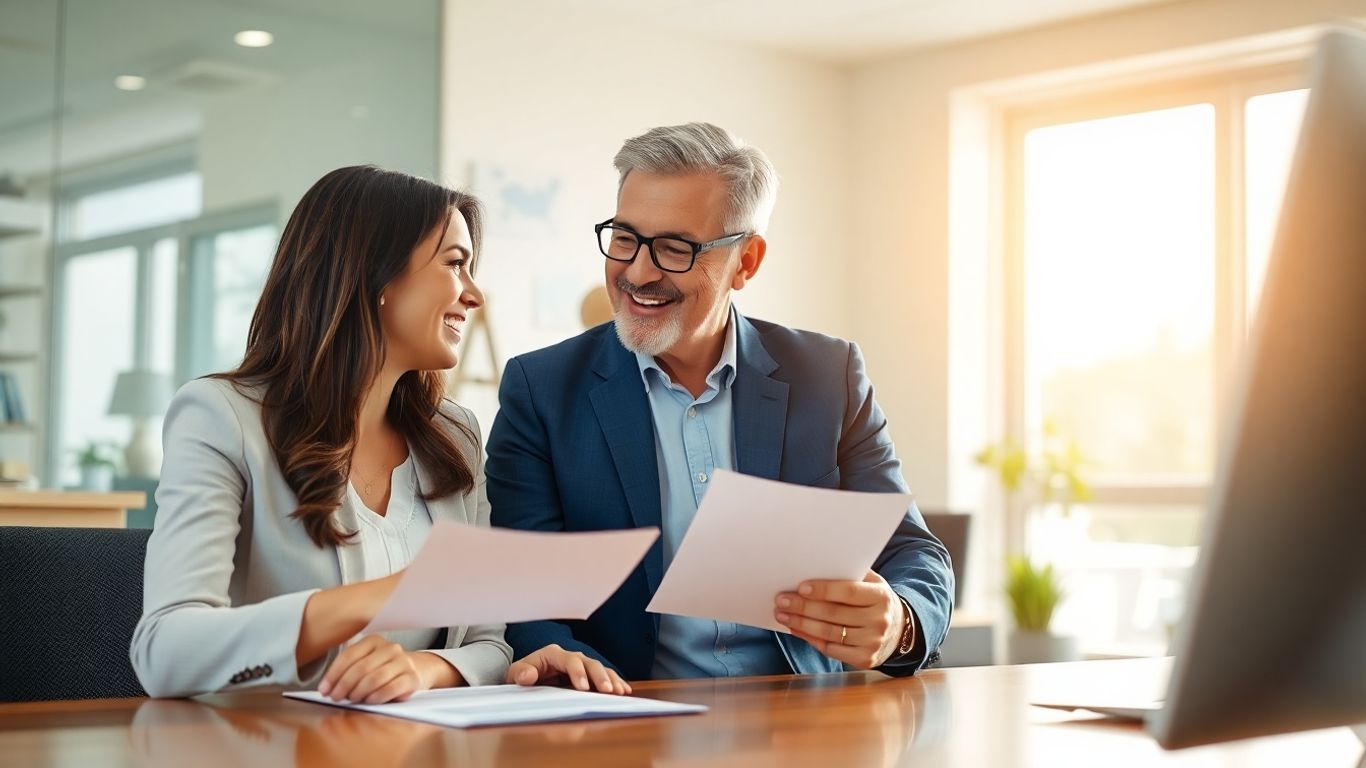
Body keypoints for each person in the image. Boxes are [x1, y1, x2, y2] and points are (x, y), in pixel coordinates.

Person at [131, 165, 631, 701]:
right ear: (377, 277)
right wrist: (391, 596)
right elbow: (164, 650)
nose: (474, 295)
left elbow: (491, 640)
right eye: (455, 265)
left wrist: (420, 671)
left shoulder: (455, 437)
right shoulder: (221, 417)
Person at [487, 123, 954, 682]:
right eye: (625, 237)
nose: (637, 272)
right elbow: (517, 592)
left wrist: (899, 622)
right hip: (629, 717)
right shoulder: (541, 390)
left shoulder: (829, 375)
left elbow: (914, 553)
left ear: (746, 262)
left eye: (674, 248)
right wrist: (571, 665)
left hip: (807, 716)